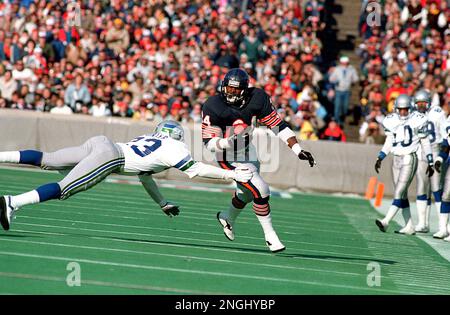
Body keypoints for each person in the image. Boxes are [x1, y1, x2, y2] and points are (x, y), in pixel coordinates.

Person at [0, 121, 253, 231]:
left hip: (102, 144)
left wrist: (162, 202)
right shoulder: (175, 147)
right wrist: (231, 175)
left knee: (47, 158)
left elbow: (144, 177)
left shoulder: (149, 138)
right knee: (64, 188)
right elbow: (196, 170)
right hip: (112, 157)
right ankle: (13, 202)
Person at [201, 68, 316, 253]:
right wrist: (227, 142)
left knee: (246, 194)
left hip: (248, 151)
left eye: (235, 90)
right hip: (227, 154)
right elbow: (209, 142)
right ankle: (271, 237)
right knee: (261, 190)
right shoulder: (213, 105)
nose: (231, 93)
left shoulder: (258, 98)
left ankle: (227, 217)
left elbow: (277, 125)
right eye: (228, 89)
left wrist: (297, 149)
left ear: (245, 90)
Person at [374, 94, 434, 235]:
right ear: (396, 109)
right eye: (400, 109)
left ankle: (386, 221)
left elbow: (425, 142)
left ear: (410, 108)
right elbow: (389, 141)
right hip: (396, 159)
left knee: (398, 192)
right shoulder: (391, 120)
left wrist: (430, 161)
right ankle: (409, 226)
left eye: (405, 109)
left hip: (409, 157)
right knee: (402, 194)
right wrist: (380, 156)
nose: (403, 112)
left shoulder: (417, 119)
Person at [411, 90, 447, 235]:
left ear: (429, 103)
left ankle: (442, 227)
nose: (420, 106)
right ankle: (422, 223)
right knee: (421, 188)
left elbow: (445, 134)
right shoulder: (413, 116)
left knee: (436, 189)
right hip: (421, 153)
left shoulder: (437, 113)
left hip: (435, 150)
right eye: (418, 103)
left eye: (423, 103)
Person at [329, 56, 359, 125]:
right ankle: (337, 121)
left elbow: (356, 78)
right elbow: (331, 79)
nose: (344, 64)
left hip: (347, 90)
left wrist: (352, 80)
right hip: (338, 90)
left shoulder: (351, 69)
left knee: (345, 107)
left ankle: (342, 117)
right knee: (337, 106)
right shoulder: (337, 69)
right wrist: (336, 80)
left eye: (345, 63)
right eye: (343, 63)